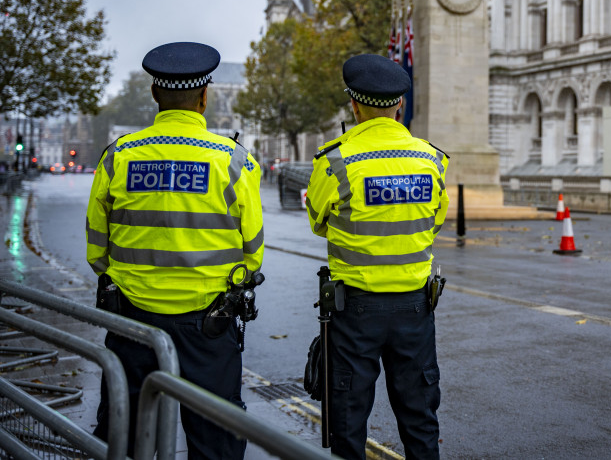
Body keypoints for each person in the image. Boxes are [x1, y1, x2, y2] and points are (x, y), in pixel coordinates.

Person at [86, 42, 264, 459]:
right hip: (208, 328)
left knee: (124, 436)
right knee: (214, 441)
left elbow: (97, 248)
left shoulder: (118, 157)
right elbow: (252, 254)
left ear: (153, 94)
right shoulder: (234, 161)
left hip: (133, 324)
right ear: (205, 97)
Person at [306, 53, 449, 460]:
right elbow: (433, 222)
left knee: (348, 421)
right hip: (415, 309)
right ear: (399, 105)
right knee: (420, 420)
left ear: (354, 105)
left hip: (356, 311)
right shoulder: (431, 159)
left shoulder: (334, 160)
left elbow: (319, 223)